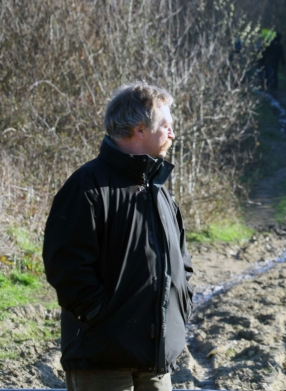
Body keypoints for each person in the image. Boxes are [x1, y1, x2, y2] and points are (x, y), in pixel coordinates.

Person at [43, 81, 194, 391]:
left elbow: (182, 265)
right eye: (166, 126)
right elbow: (66, 266)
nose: (172, 134)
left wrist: (182, 306)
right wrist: (102, 317)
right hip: (102, 360)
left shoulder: (161, 194)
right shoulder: (86, 187)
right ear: (140, 129)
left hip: (155, 362)